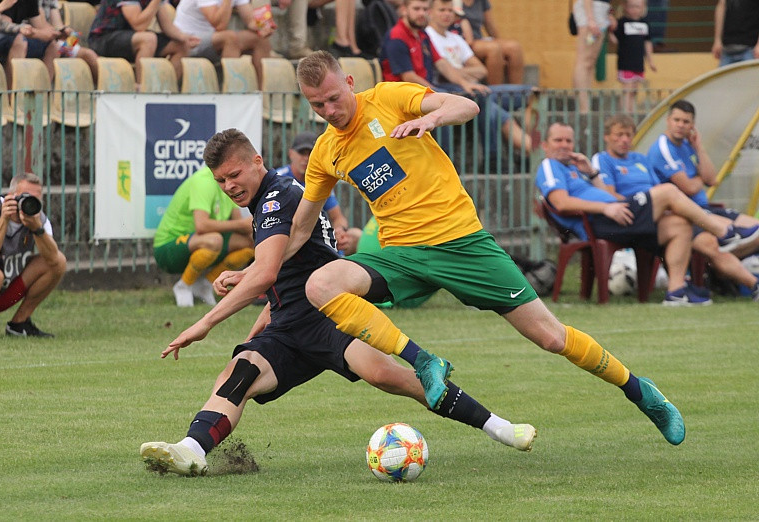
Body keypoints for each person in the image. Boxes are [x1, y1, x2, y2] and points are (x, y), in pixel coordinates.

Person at [289, 50, 687, 446]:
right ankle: (424, 361)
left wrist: (430, 118)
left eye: (333, 97)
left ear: (349, 84)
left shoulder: (389, 99)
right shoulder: (326, 152)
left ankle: (641, 392)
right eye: (316, 103)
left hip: (463, 245)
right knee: (321, 285)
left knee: (551, 337)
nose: (328, 109)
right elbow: (304, 219)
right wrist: (266, 268)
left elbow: (465, 105)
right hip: (402, 256)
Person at [139, 128, 537, 476]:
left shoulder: (278, 198)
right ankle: (190, 452)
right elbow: (289, 272)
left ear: (256, 162)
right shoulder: (267, 201)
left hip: (331, 317)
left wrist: (204, 323)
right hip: (290, 326)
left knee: (393, 378)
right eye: (220, 179)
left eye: (235, 174)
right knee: (239, 373)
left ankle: (499, 427)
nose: (228, 186)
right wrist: (263, 320)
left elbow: (267, 273)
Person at [538, 121, 755, 305]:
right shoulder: (549, 165)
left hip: (618, 217)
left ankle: (676, 292)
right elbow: (561, 202)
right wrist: (606, 207)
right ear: (545, 145)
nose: (565, 145)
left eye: (568, 140)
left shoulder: (577, 167)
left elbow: (605, 195)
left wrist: (592, 174)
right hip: (599, 223)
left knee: (680, 225)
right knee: (669, 191)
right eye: (558, 140)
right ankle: (725, 233)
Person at [593, 114, 759, 301]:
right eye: (619, 135)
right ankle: (727, 239)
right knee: (671, 193)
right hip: (630, 214)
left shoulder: (640, 159)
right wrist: (656, 201)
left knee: (695, 233)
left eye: (628, 135)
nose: (624, 140)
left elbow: (711, 180)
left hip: (663, 213)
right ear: (607, 137)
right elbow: (609, 196)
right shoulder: (602, 159)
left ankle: (678, 291)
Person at [380, 0, 531, 154]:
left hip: (422, 90)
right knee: (443, 103)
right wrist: (436, 92)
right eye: (416, 9)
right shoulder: (397, 36)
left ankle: (492, 156)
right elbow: (408, 76)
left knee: (480, 95)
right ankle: (448, 157)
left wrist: (464, 84)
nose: (421, 13)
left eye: (424, 9)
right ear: (404, 10)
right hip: (403, 96)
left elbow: (441, 63)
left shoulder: (421, 33)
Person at [646, 99, 759, 258]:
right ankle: (726, 276)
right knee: (740, 237)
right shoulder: (663, 148)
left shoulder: (688, 145)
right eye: (676, 120)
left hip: (706, 207)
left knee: (756, 230)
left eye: (686, 121)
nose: (680, 125)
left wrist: (698, 147)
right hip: (690, 214)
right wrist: (701, 178)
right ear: (668, 121)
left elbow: (712, 180)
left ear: (692, 125)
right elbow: (689, 188)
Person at [0, 173, 66, 338]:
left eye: (36, 198)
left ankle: (19, 324)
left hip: (3, 291)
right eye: (25, 197)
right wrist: (4, 219)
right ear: (10, 196)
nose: (29, 202)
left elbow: (53, 260)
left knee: (58, 261)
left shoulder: (38, 219)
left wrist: (37, 229)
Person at [153, 166, 254, 307]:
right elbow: (202, 225)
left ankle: (206, 284)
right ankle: (184, 285)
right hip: (167, 247)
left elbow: (239, 225)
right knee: (214, 240)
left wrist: (250, 227)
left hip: (200, 242)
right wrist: (242, 224)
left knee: (250, 243)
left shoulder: (229, 183)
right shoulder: (204, 180)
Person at [426, 0, 535, 112]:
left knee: (533, 93)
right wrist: (464, 74)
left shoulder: (455, 38)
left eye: (450, 10)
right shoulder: (427, 36)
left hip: (474, 89)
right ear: (429, 12)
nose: (447, 14)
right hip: (455, 90)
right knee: (490, 104)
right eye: (442, 10)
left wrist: (455, 72)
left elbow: (482, 70)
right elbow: (443, 72)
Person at [276, 130, 362, 255]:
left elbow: (338, 217)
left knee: (355, 236)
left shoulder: (319, 179)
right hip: (286, 237)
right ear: (290, 154)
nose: (306, 159)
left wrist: (339, 231)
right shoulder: (279, 179)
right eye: (301, 153)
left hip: (315, 236)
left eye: (310, 153)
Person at [88, 0, 200, 82]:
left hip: (132, 39)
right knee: (148, 39)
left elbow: (167, 27)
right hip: (103, 38)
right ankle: (142, 89)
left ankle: (166, 89)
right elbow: (138, 25)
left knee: (181, 46)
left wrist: (185, 38)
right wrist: (156, 2)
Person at [173, 0, 273, 84]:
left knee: (260, 39)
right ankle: (231, 89)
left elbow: (250, 20)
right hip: (188, 40)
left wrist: (262, 27)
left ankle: (262, 95)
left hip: (213, 38)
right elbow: (219, 25)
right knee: (230, 38)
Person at [456, 0, 524, 85]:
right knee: (494, 49)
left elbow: (489, 25)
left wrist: (499, 44)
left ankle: (517, 93)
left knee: (514, 47)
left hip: (478, 39)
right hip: (462, 40)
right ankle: (494, 93)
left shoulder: (481, 1)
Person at [609, 0, 656, 113]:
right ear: (626, 7)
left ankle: (631, 111)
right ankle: (625, 112)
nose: (635, 10)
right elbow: (615, 40)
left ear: (643, 7)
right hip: (626, 63)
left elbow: (647, 43)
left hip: (638, 63)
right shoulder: (622, 22)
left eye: (638, 7)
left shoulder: (645, 23)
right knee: (627, 89)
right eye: (632, 7)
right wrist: (610, 31)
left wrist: (650, 61)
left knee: (634, 89)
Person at [0, 0, 62, 81]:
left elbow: (40, 26)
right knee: (20, 41)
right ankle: (13, 92)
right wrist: (35, 32)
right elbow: (3, 24)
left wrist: (59, 33)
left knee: (54, 46)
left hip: (21, 35)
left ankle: (43, 91)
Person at [40, 0, 100, 83]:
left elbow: (57, 25)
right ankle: (45, 88)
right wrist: (56, 33)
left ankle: (104, 91)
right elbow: (40, 27)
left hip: (56, 38)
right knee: (56, 47)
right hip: (40, 38)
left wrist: (65, 31)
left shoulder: (52, 2)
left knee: (89, 54)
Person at [571, 0, 614, 114]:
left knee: (590, 62)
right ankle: (583, 108)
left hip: (600, 12)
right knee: (584, 61)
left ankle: (586, 105)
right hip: (590, 11)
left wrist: (609, 14)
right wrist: (590, 19)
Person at [712, 0, 759, 67]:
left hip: (750, 49)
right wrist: (717, 40)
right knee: (724, 77)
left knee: (750, 76)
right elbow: (721, 6)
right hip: (727, 49)